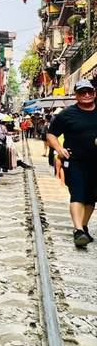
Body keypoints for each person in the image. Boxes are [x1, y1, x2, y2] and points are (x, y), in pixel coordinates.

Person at [47, 79, 97, 248]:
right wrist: (59, 149)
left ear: (94, 93)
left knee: (91, 198)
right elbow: (51, 134)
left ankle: (83, 227)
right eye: (83, 92)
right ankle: (78, 230)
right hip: (75, 161)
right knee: (78, 193)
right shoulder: (67, 114)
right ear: (76, 95)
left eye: (89, 91)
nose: (87, 95)